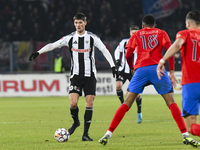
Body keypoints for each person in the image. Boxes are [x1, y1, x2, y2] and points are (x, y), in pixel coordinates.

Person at [99, 14, 200, 147]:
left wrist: (132, 68)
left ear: (142, 25)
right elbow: (170, 49)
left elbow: (128, 53)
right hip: (157, 69)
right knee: (171, 103)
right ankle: (185, 135)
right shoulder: (161, 33)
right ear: (155, 25)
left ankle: (108, 133)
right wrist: (171, 71)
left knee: (127, 103)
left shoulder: (136, 34)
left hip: (140, 69)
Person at [29, 13, 117, 141]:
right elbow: (53, 45)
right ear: (74, 24)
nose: (78, 25)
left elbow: (104, 50)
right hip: (75, 75)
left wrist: (113, 66)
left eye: (81, 22)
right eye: (76, 23)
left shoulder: (92, 38)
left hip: (90, 75)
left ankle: (85, 135)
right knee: (73, 103)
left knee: (89, 102)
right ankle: (76, 122)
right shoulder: (70, 38)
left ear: (85, 23)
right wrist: (38, 52)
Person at [157, 10, 200, 141]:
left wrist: (162, 60)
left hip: (191, 83)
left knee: (191, 127)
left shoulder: (184, 33)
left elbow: (177, 44)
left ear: (187, 23)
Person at [114, 25, 142, 124]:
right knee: (118, 85)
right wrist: (117, 60)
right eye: (132, 33)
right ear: (130, 33)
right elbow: (117, 51)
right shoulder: (124, 42)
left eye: (136, 32)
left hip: (134, 71)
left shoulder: (141, 43)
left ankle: (139, 111)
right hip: (123, 69)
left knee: (137, 94)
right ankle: (122, 103)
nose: (134, 34)